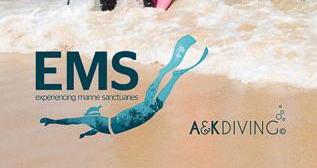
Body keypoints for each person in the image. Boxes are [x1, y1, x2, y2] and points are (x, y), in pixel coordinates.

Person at [40, 35, 207, 138]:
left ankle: (165, 75)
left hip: (124, 121)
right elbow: (94, 129)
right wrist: (86, 134)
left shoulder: (92, 120)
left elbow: (70, 121)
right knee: (153, 106)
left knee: (150, 104)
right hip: (123, 122)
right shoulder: (95, 123)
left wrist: (52, 121)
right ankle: (170, 77)